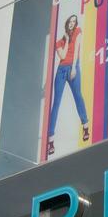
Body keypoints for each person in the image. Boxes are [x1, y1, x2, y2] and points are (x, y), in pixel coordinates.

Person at [47, 14, 90, 157]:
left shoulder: (78, 31)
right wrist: (65, 40)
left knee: (78, 96)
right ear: (67, 23)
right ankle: (51, 140)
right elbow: (63, 56)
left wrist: (73, 68)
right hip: (61, 71)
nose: (72, 23)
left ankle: (85, 126)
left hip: (73, 67)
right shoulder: (59, 42)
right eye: (70, 21)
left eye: (74, 21)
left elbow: (76, 49)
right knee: (56, 103)